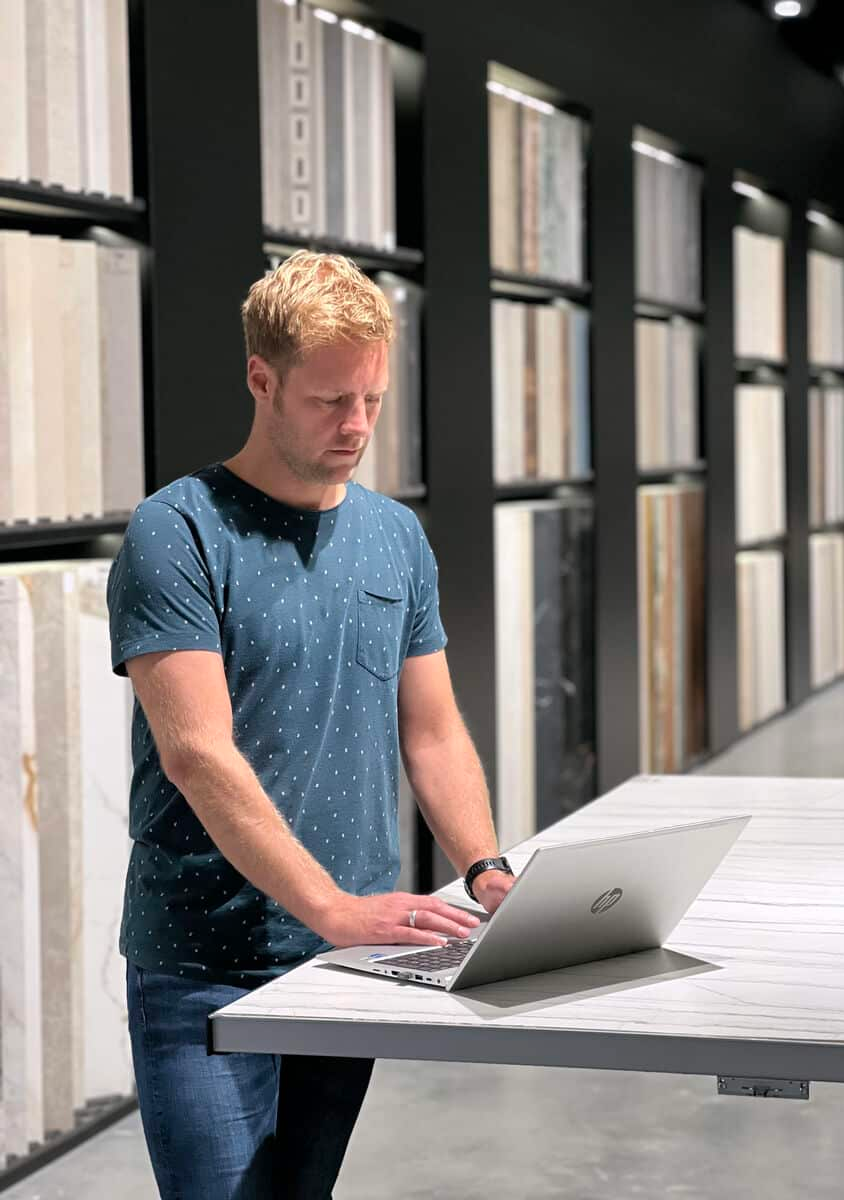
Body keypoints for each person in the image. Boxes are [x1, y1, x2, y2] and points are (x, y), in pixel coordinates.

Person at [106, 250, 515, 1199]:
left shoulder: (395, 534)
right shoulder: (178, 532)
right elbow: (196, 752)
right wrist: (328, 906)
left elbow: (434, 729)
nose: (358, 425)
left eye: (371, 398)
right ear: (262, 379)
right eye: (332, 400)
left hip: (351, 956)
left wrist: (487, 868)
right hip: (207, 955)